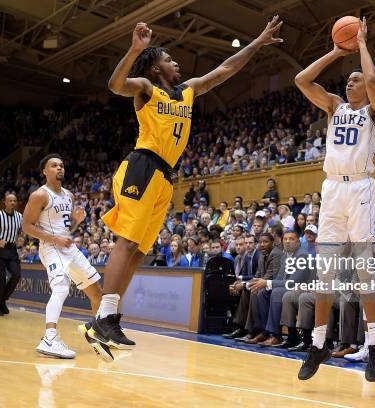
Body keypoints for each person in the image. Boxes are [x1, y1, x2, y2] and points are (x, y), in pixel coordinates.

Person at [88, 17, 284, 350]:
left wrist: (256, 42)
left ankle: (109, 316)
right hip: (142, 166)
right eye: (167, 59)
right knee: (126, 243)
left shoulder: (187, 90)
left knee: (139, 252)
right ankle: (104, 318)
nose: (175, 62)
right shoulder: (147, 89)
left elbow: (224, 70)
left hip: (165, 177)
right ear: (154, 68)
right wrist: (136, 49)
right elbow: (115, 86)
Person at [294, 17, 375, 382]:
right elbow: (301, 80)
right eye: (347, 80)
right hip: (331, 189)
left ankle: (374, 344)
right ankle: (319, 344)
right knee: (325, 273)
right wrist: (336, 51)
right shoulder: (334, 106)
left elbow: (373, 81)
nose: (350, 83)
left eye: (355, 80)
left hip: (360, 189)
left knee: (364, 269)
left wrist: (362, 44)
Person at [22, 154, 112, 361]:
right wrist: (56, 239)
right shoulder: (39, 195)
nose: (59, 168)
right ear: (45, 171)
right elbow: (27, 226)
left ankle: (100, 333)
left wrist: (77, 222)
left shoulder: (68, 195)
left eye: (61, 165)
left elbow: (66, 228)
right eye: (54, 166)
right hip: (50, 248)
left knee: (97, 290)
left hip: (67, 246)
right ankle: (49, 338)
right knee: (61, 287)